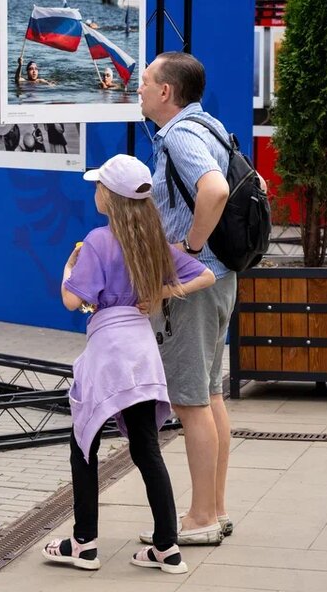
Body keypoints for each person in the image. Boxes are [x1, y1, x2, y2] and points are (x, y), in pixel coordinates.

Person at [43, 154, 215, 575]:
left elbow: (72, 299)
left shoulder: (98, 241)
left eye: (99, 185)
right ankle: (167, 547)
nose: (96, 190)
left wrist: (68, 269)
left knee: (84, 444)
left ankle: (83, 544)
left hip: (108, 354)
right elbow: (207, 275)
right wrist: (161, 292)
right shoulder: (155, 239)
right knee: (146, 448)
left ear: (111, 197)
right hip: (142, 353)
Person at [136, 51, 237, 546]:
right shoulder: (210, 126)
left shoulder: (178, 136)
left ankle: (199, 519)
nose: (138, 89)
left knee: (191, 401)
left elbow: (214, 190)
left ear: (165, 92)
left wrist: (190, 249)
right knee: (210, 393)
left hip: (195, 285)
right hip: (221, 280)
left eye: (145, 82)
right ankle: (214, 509)